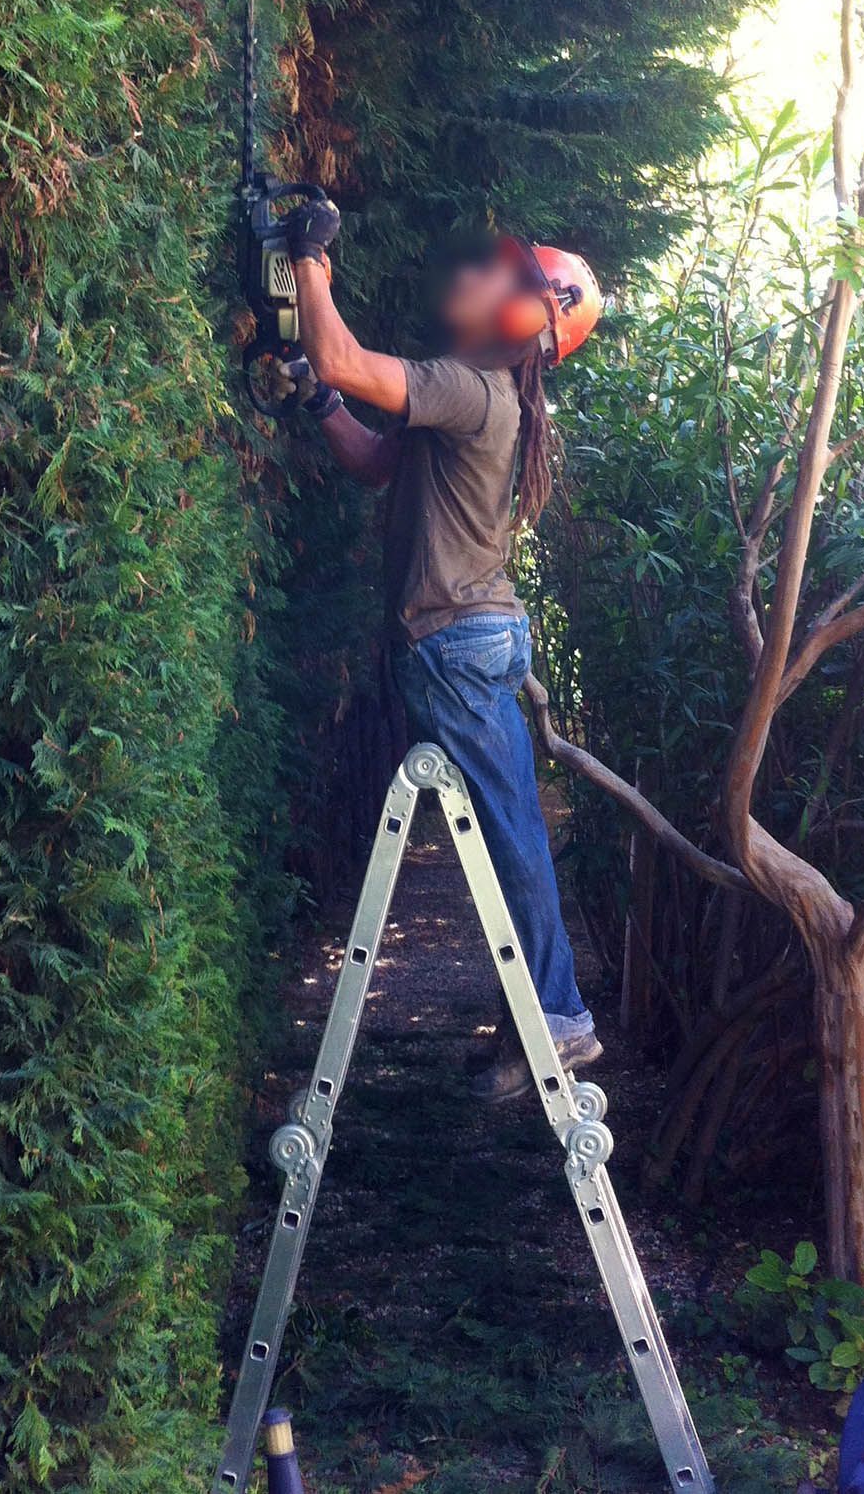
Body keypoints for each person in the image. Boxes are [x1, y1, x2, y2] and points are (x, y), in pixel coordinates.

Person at [284, 198, 604, 1103]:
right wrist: (318, 402)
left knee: (510, 836)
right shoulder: (472, 394)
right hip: (474, 637)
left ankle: (561, 1018)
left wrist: (310, 261)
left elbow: (344, 356)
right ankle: (533, 1019)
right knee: (507, 830)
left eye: (500, 274)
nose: (471, 274)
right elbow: (377, 462)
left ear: (524, 318)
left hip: (455, 643)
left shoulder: (469, 389)